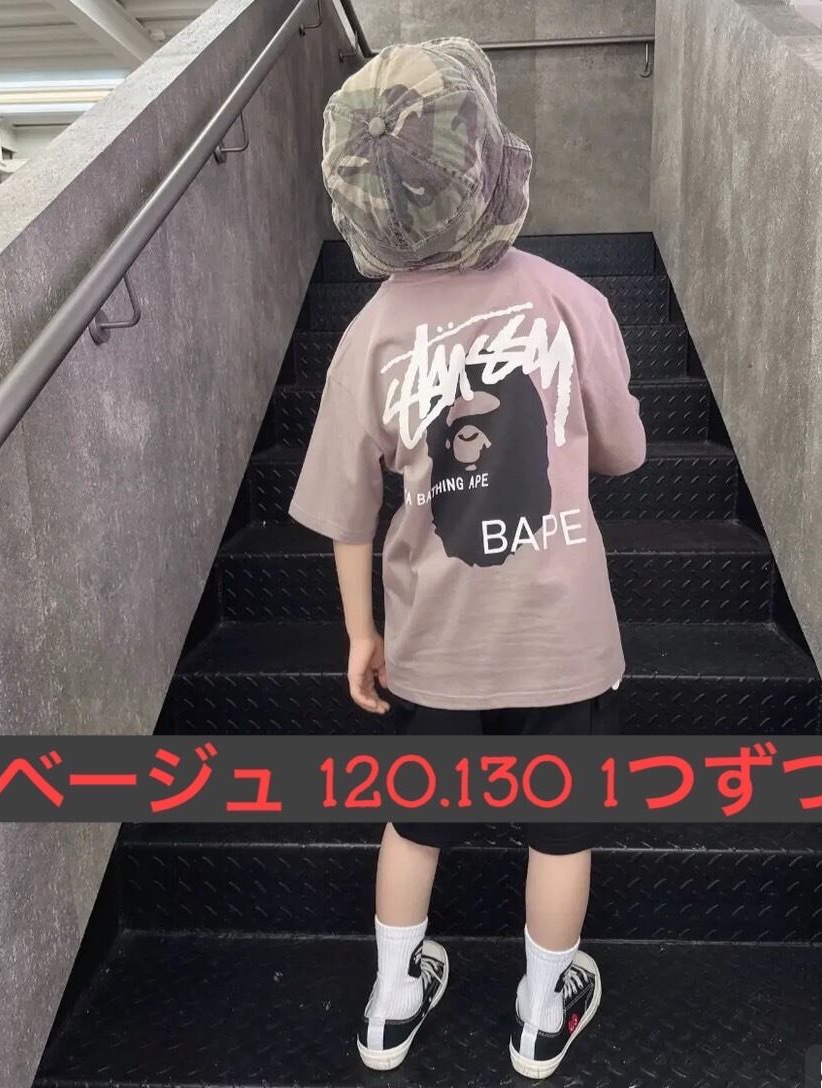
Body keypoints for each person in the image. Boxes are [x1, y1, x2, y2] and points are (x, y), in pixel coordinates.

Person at [288, 36, 646, 1081]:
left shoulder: (367, 337)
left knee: (413, 822)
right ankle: (540, 1013)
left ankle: (391, 1001)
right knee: (560, 834)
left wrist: (362, 632)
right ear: (487, 157)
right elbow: (623, 450)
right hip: (563, 643)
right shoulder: (571, 299)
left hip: (433, 647)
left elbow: (347, 510)